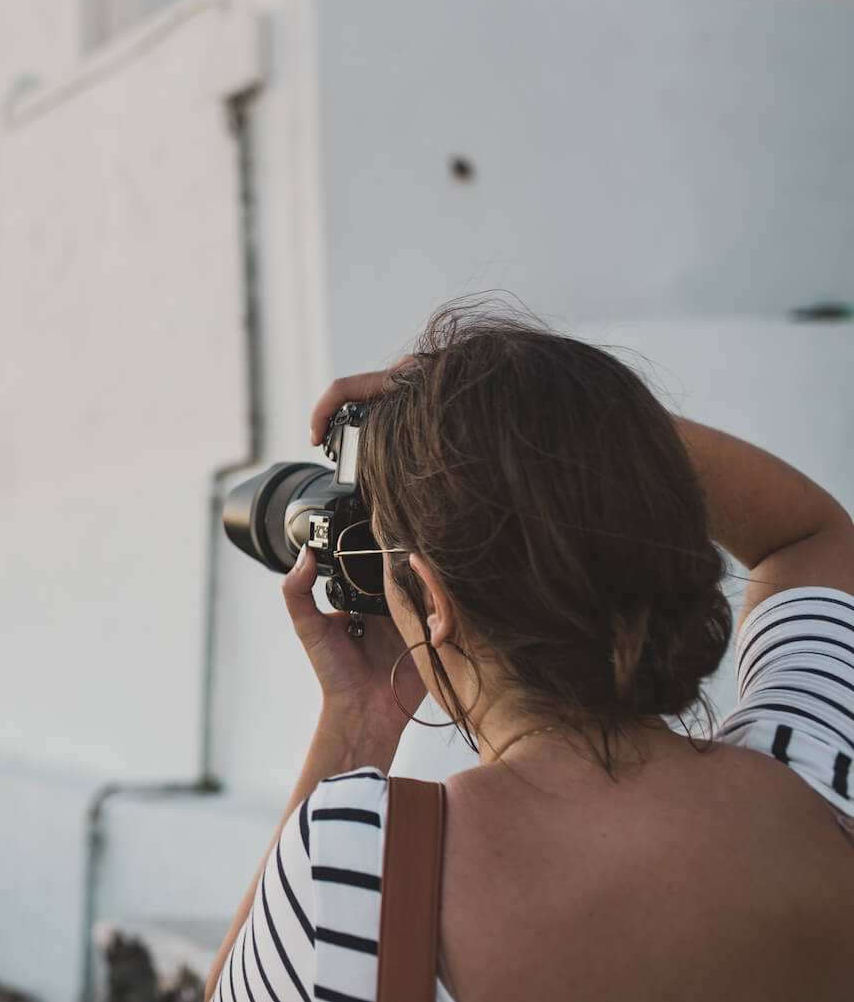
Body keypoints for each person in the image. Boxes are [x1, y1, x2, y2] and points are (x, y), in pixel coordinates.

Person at [207, 304, 854, 1002]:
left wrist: (357, 719)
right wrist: (555, 431)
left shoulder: (358, 875)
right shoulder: (818, 776)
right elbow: (810, 536)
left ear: (430, 599)